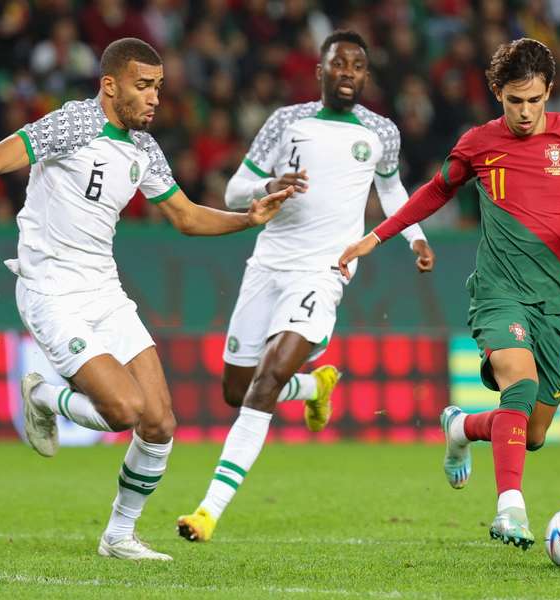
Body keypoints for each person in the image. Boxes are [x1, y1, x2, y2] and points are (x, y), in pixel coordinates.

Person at [0, 37, 293, 561]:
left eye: (158, 86)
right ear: (110, 86)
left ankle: (119, 536)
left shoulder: (144, 149)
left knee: (160, 423)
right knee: (124, 412)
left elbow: (184, 216)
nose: (155, 98)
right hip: (50, 289)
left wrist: (246, 219)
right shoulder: (70, 124)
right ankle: (43, 396)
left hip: (104, 291)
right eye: (143, 86)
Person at [338, 38, 560, 550]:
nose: (525, 113)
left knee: (535, 432)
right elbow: (437, 189)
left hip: (554, 301)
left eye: (535, 100)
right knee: (518, 388)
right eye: (514, 101)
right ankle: (510, 510)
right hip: (498, 292)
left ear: (550, 92)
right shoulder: (480, 143)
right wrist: (375, 236)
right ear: (497, 93)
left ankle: (460, 428)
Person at [176, 30, 435, 543]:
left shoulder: (381, 131)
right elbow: (235, 188)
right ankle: (316, 385)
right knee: (237, 390)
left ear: (366, 75)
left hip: (324, 271)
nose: (348, 73)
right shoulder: (285, 122)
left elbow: (391, 189)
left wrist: (416, 237)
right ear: (320, 70)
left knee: (268, 378)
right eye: (338, 64)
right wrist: (268, 186)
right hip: (268, 264)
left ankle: (208, 510)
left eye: (358, 67)